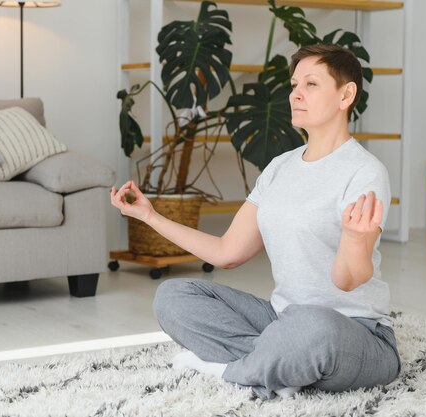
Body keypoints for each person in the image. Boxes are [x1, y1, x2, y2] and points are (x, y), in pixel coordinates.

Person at [110, 44, 401, 400]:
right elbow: (226, 252)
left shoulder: (364, 172)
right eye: (294, 85)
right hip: (281, 320)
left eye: (311, 84)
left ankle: (233, 370)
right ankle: (281, 364)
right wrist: (150, 216)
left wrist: (356, 241)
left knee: (314, 327)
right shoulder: (280, 167)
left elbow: (347, 280)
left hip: (354, 332)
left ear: (346, 94)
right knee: (173, 296)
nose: (296, 94)